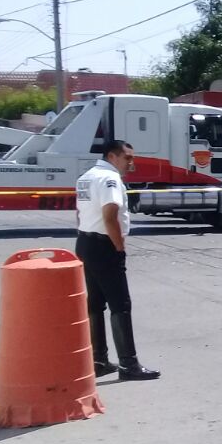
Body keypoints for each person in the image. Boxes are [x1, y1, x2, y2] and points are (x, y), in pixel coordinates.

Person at [75, 139, 160, 380]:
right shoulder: (109, 179)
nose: (131, 163)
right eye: (128, 158)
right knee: (120, 305)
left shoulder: (87, 176)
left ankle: (99, 360)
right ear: (112, 157)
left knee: (95, 305)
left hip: (85, 241)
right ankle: (128, 365)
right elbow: (110, 214)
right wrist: (119, 247)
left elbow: (80, 212)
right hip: (104, 245)